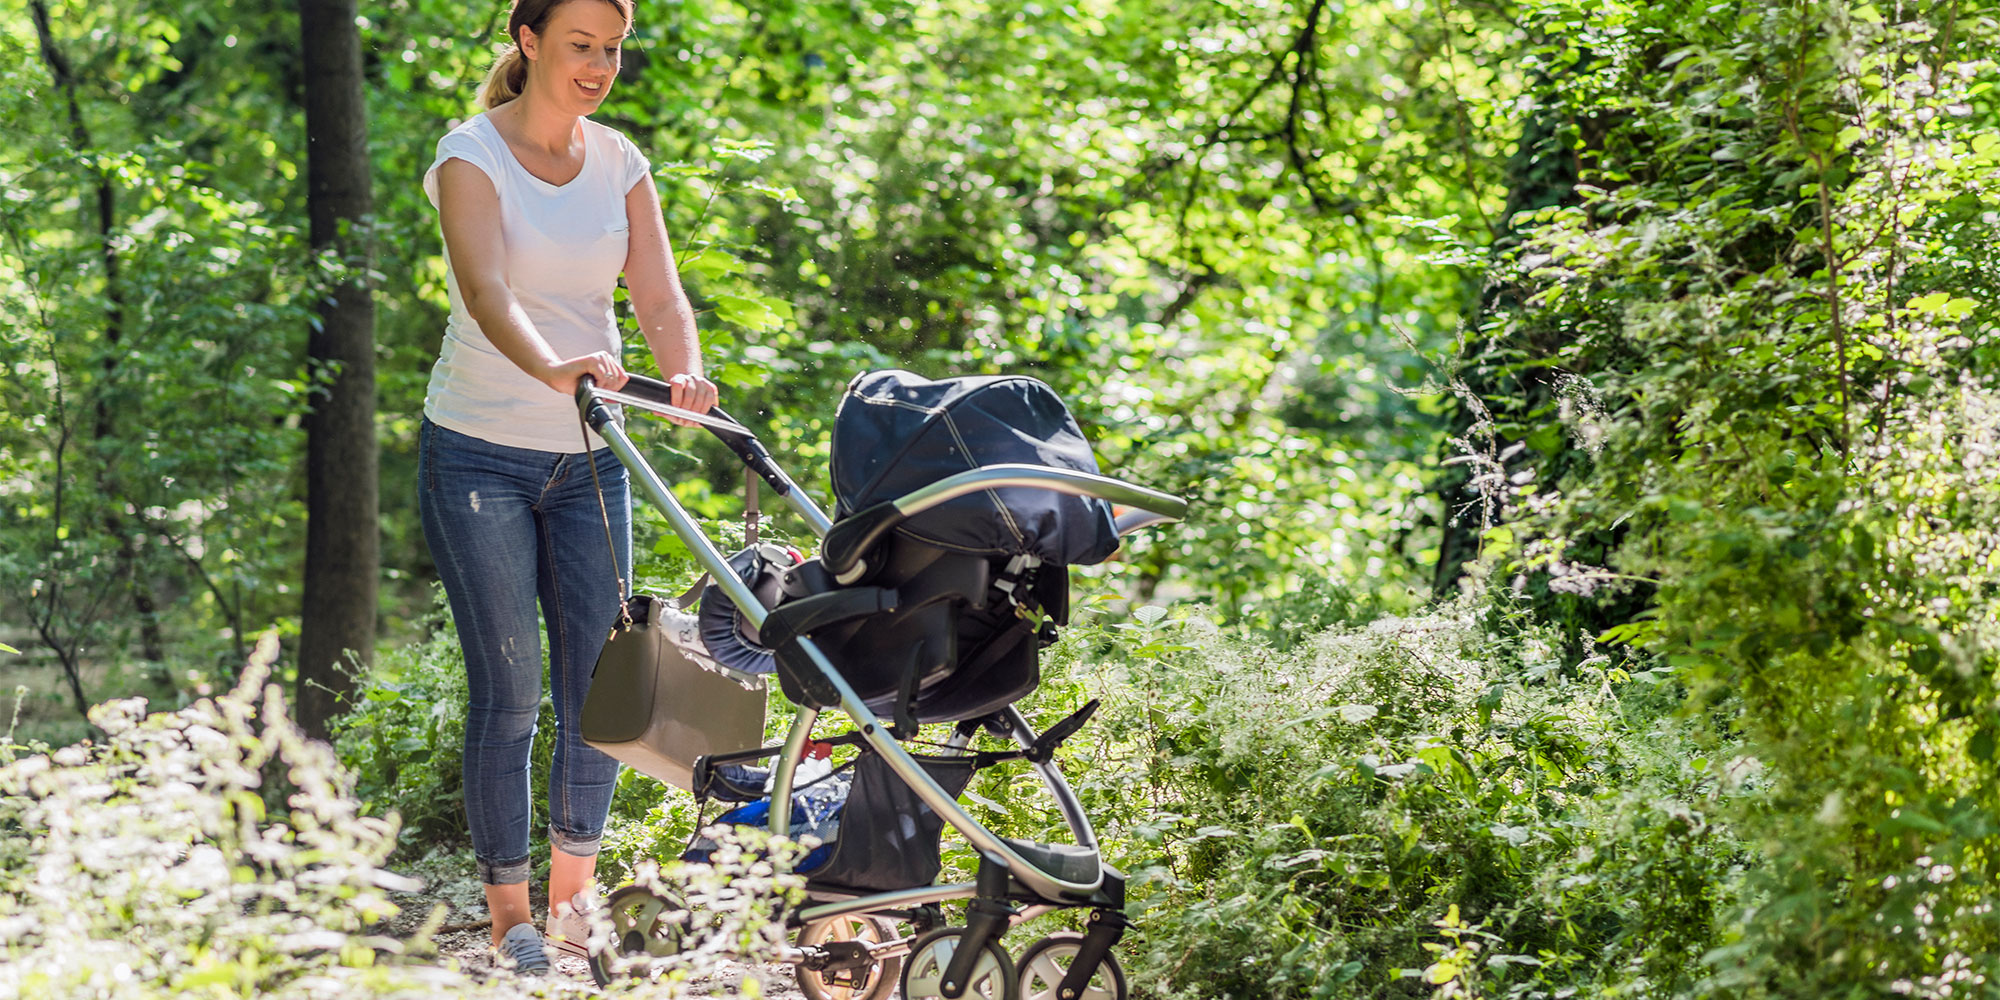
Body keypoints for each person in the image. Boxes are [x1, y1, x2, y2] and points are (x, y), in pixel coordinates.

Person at [416, 0, 717, 975]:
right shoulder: (472, 155)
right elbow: (486, 290)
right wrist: (552, 364)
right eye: (580, 45)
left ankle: (571, 908)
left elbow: (658, 293)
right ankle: (510, 921)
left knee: (602, 687)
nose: (598, 65)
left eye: (613, 49)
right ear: (529, 40)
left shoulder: (621, 164)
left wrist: (684, 373)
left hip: (593, 451)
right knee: (509, 690)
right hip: (477, 451)